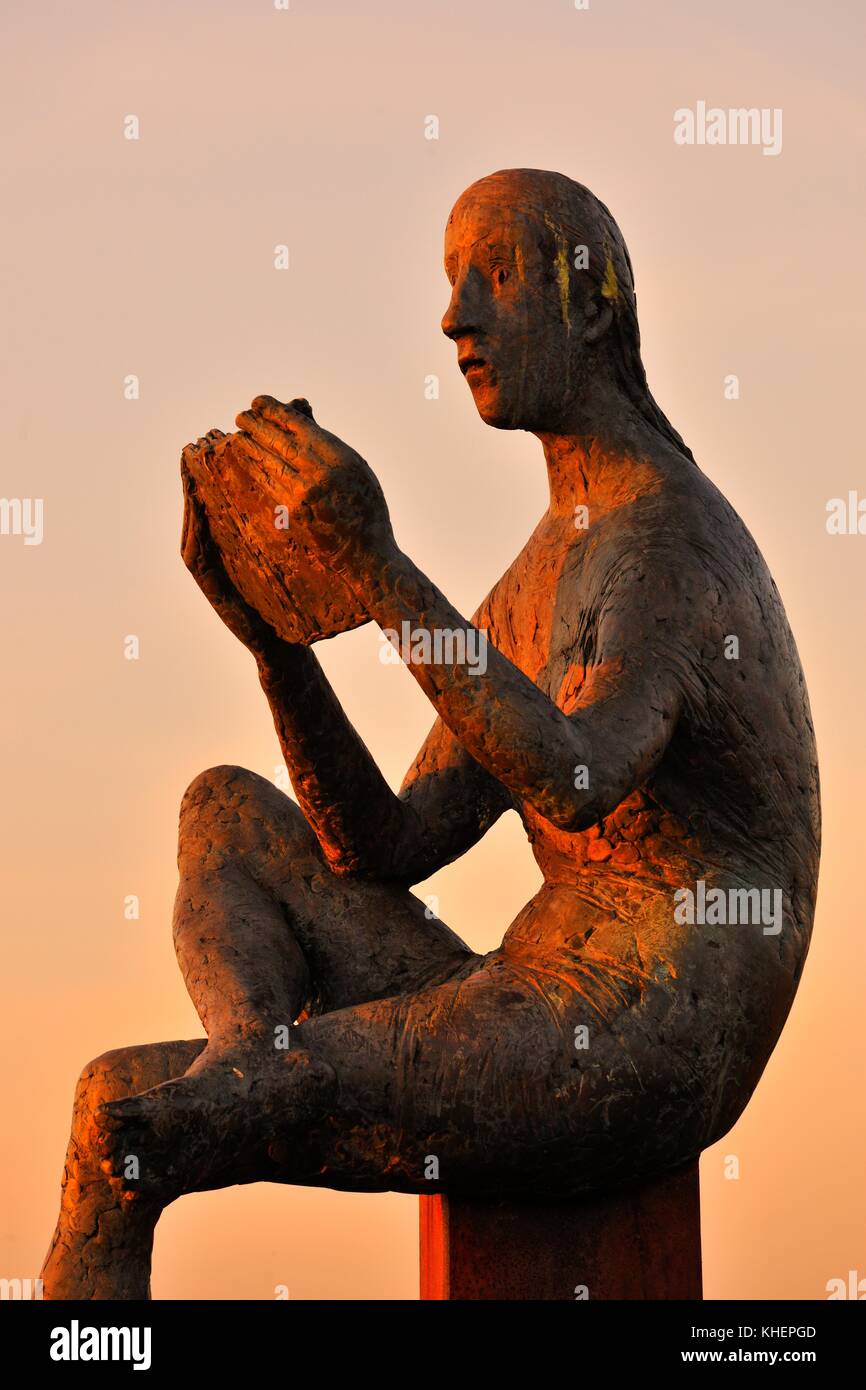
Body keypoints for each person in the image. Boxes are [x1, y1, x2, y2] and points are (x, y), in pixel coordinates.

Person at [42, 169, 819, 1300]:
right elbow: (385, 845)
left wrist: (379, 571)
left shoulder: (667, 544)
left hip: (637, 1040)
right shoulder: (552, 557)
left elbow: (572, 776)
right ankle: (246, 1059)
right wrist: (279, 648)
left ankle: (254, 1081)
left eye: (494, 276)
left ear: (590, 304)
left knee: (117, 1134)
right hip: (524, 987)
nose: (455, 314)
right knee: (220, 807)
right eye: (451, 279)